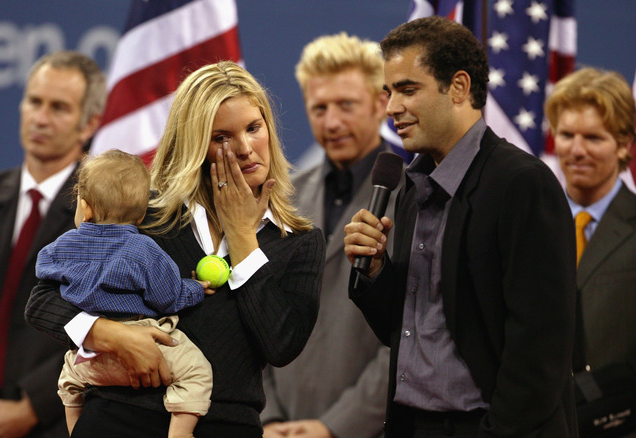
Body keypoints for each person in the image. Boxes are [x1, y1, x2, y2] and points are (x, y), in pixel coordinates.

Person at [24, 60, 326, 437]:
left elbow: (281, 346)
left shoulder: (297, 241)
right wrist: (107, 333)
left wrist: (243, 239)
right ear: (195, 144)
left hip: (226, 426)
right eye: (222, 137)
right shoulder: (141, 216)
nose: (246, 148)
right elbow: (42, 301)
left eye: (254, 127)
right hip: (117, 419)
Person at [343, 16, 578, 437]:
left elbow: (539, 352)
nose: (392, 107)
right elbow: (410, 333)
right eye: (389, 91)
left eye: (408, 89)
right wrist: (377, 271)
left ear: (458, 87)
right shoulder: (412, 189)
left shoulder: (522, 184)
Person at [0, 51, 106, 437]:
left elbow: (107, 325)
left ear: (88, 123)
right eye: (34, 101)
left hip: (56, 421)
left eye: (59, 107)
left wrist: (33, 406)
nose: (40, 118)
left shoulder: (105, 214)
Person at [261, 32, 395, 438]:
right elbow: (256, 309)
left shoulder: (415, 199)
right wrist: (267, 419)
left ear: (381, 104)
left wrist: (334, 428)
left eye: (346, 105)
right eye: (319, 108)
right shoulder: (281, 197)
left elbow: (410, 334)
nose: (332, 122)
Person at [545, 67, 636, 438]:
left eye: (593, 137)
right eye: (567, 135)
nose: (577, 150)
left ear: (626, 144)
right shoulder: (525, 226)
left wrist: (594, 407)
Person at [34, 149, 214, 437]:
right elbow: (168, 297)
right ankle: (180, 433)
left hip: (89, 361)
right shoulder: (144, 250)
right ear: (141, 215)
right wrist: (194, 289)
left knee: (67, 380)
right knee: (197, 372)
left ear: (86, 207)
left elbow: (44, 270)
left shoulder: (62, 246)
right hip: (147, 347)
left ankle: (74, 430)